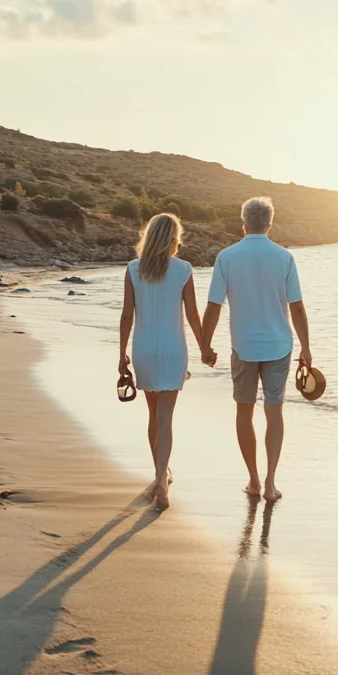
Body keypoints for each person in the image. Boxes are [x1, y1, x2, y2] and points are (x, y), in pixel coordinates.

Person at [201, 197, 311, 502]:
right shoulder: (284, 257)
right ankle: (271, 483)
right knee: (274, 410)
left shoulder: (227, 256)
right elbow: (297, 308)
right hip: (279, 345)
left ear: (243, 222)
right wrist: (307, 347)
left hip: (244, 347)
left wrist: (205, 345)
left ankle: (253, 480)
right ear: (270, 224)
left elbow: (213, 306)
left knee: (244, 411)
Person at [119, 213, 215, 511]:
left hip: (144, 349)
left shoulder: (134, 269)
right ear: (174, 239)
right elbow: (192, 315)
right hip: (173, 350)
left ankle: (160, 474)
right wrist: (204, 348)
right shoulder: (184, 269)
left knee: (153, 415)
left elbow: (126, 316)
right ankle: (162, 478)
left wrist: (121, 355)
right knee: (166, 419)